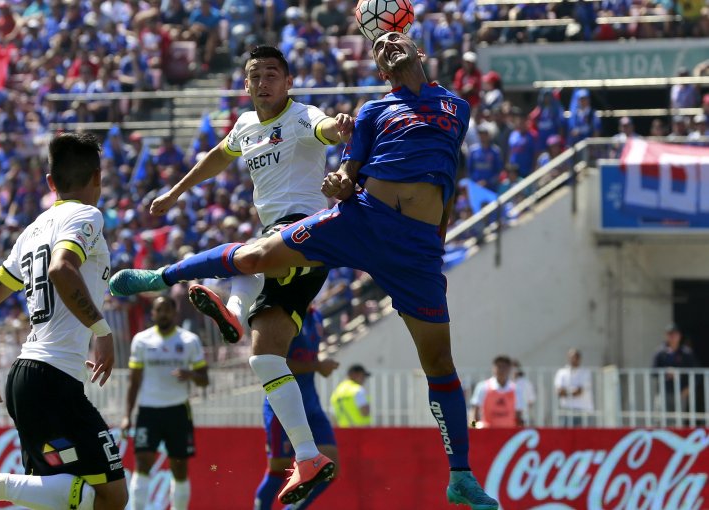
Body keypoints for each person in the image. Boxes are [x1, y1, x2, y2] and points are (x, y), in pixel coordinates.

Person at [110, 32, 498, 509]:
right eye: (380, 45)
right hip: (361, 219)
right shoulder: (375, 112)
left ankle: (460, 476)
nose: (388, 45)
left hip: (413, 250)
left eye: (398, 39)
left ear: (421, 53)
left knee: (439, 364)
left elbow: (445, 173)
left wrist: (436, 234)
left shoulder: (454, 107)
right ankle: (164, 279)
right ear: (379, 71)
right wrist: (341, 179)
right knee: (256, 281)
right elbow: (347, 167)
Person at [145, 45, 354, 505]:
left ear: (288, 82)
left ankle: (222, 303)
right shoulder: (244, 126)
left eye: (272, 74)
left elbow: (323, 128)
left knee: (249, 255)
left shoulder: (301, 116)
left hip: (306, 232)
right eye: (255, 75)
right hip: (280, 246)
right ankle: (308, 457)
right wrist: (177, 191)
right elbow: (217, 158)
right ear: (245, 85)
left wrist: (337, 128)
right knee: (263, 359)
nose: (263, 82)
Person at [0, 133, 128, 510]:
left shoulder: (32, 230)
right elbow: (62, 269)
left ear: (50, 183)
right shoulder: (87, 215)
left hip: (29, 377)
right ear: (98, 178)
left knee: (63, 497)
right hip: (52, 382)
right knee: (111, 497)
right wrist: (101, 332)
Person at [122, 296, 209, 510]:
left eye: (167, 310)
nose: (163, 314)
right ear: (152, 313)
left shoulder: (189, 340)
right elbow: (134, 382)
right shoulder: (141, 340)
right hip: (148, 411)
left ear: (174, 312)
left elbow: (204, 379)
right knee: (142, 463)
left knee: (179, 469)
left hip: (178, 411)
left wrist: (190, 374)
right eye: (158, 310)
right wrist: (127, 415)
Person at [255, 306, 340, 510]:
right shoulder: (284, 314)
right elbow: (276, 363)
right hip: (282, 408)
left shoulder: (316, 315)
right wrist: (317, 366)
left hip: (311, 404)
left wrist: (318, 364)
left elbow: (307, 356)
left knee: (329, 469)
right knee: (277, 471)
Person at [652, 323, 699, 413]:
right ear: (666, 336)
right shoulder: (660, 352)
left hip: (680, 393)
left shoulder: (686, 353)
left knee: (678, 421)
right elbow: (653, 372)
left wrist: (688, 388)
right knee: (661, 421)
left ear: (680, 336)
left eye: (675, 334)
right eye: (670, 334)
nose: (672, 337)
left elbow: (697, 373)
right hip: (664, 392)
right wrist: (666, 372)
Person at [470, 355, 523, 428]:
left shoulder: (516, 389)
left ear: (509, 369)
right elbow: (474, 412)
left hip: (509, 435)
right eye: (499, 366)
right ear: (493, 368)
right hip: (487, 433)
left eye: (504, 367)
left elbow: (519, 416)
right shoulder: (483, 387)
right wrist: (473, 427)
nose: (501, 370)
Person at [553, 348, 594, 427]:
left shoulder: (585, 372)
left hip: (583, 410)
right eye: (571, 357)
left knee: (584, 437)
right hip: (566, 410)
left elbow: (579, 392)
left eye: (575, 357)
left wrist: (566, 391)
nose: (573, 359)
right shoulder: (561, 372)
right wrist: (573, 391)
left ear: (579, 359)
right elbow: (559, 392)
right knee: (565, 436)